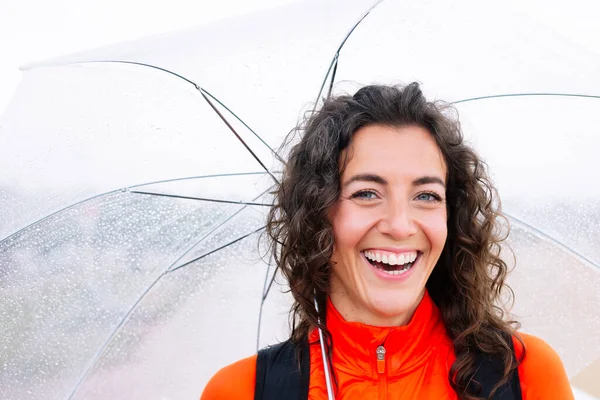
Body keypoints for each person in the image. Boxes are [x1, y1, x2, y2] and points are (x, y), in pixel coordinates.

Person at [200, 83, 573, 399]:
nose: (399, 225)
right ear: (317, 213)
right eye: (366, 193)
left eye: (426, 196)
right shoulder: (239, 390)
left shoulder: (527, 376)